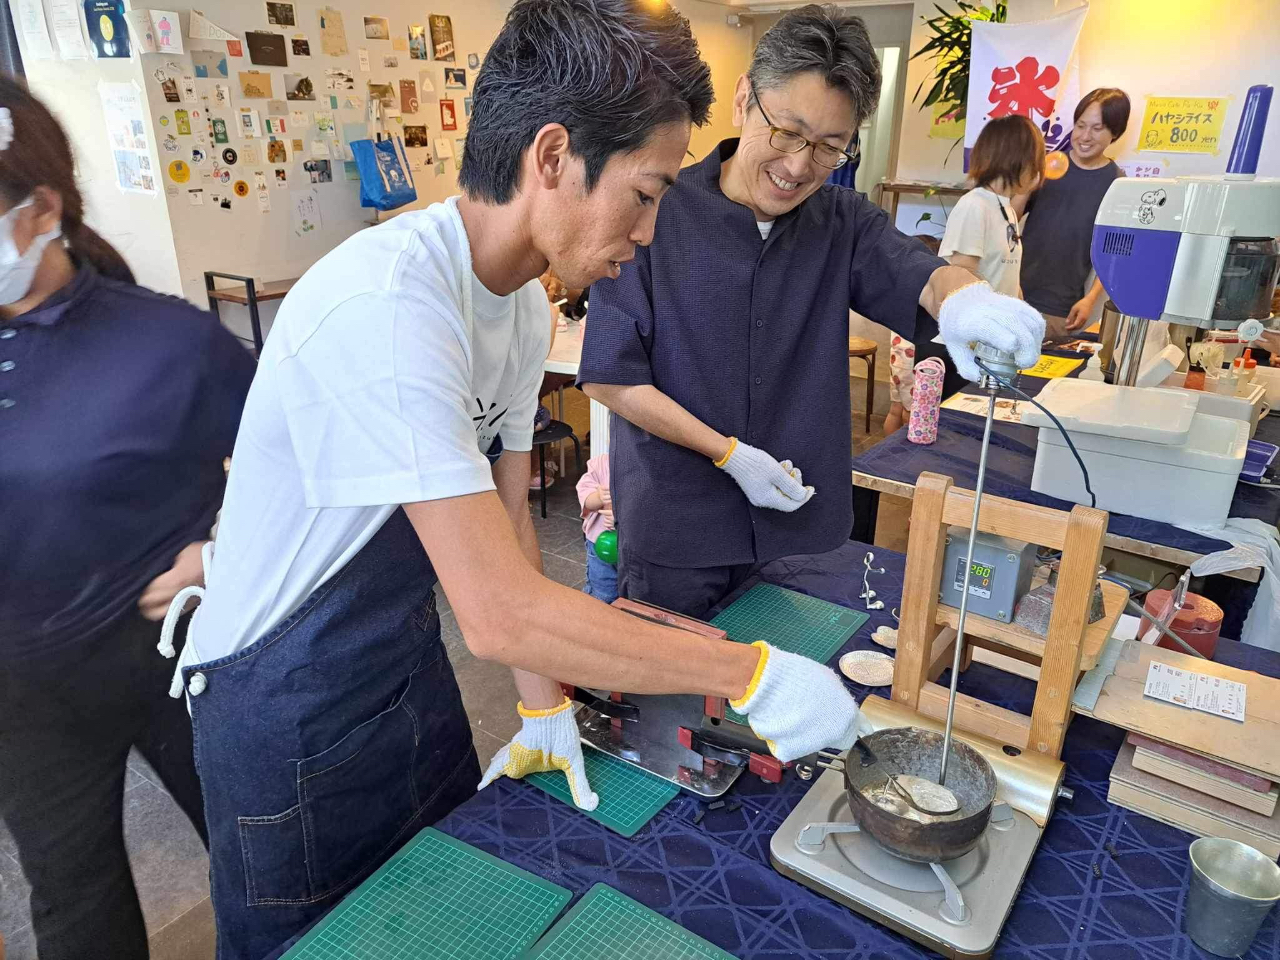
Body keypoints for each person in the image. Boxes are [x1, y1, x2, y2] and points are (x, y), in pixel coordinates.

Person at [166, 4, 876, 958]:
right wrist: (748, 673)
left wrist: (543, 706)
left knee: (444, 917)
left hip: (404, 676)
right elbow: (498, 613)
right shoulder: (388, 307)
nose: (655, 230)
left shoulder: (519, 309)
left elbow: (505, 552)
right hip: (283, 710)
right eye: (647, 193)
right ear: (552, 156)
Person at [578, 5, 1044, 619]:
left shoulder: (841, 221)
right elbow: (612, 374)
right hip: (677, 527)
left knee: (801, 685)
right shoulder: (653, 210)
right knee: (680, 702)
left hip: (798, 529)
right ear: (745, 99)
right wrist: (727, 453)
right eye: (787, 132)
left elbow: (917, 273)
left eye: (829, 147)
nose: (799, 166)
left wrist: (966, 299)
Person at [0, 79, 255, 960]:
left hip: (176, 658)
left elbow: (303, 467)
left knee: (261, 856)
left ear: (39, 211)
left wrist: (224, 553)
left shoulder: (168, 342)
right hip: (24, 693)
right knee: (74, 905)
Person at [885, 115, 1045, 433]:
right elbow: (962, 277)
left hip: (988, 346)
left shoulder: (1007, 210)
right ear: (1017, 159)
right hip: (954, 347)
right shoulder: (975, 206)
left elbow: (1006, 277)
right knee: (942, 436)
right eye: (1036, 161)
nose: (1040, 173)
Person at [1017, 87, 1131, 338]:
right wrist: (1028, 180)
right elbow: (1010, 220)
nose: (1085, 136)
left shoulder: (1117, 184)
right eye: (1080, 126)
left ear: (1115, 132)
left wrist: (1090, 299)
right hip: (1013, 295)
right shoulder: (1047, 165)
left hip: (1060, 308)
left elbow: (1114, 253)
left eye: (1097, 128)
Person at [577, 453, 618, 603]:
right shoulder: (599, 464)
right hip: (599, 545)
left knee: (632, 597)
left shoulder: (644, 468)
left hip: (632, 547)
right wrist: (598, 498)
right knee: (602, 592)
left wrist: (621, 519)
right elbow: (585, 497)